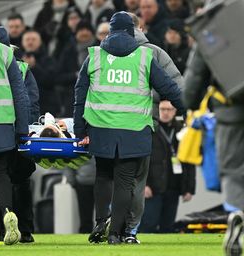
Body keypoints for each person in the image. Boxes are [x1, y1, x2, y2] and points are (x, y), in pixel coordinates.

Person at [74, 11, 184, 244]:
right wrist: (186, 108)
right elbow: (169, 87)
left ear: (111, 30)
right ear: (133, 30)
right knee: (126, 182)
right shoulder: (144, 57)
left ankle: (100, 222)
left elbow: (79, 96)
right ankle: (117, 233)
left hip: (101, 128)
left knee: (103, 177)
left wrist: (80, 131)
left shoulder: (94, 56)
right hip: (135, 130)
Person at [182, 2, 244, 254]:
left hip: (230, 111)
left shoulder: (213, 26)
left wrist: (191, 102)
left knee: (232, 171)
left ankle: (236, 212)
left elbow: (192, 85)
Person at [0, 26, 40, 243]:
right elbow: (27, 100)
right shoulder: (14, 62)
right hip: (7, 128)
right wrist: (25, 129)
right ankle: (17, 221)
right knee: (12, 179)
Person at [139, 100, 195, 233]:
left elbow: (189, 161)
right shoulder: (150, 129)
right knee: (148, 224)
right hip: (153, 186)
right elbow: (141, 158)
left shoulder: (182, 130)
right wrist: (144, 184)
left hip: (174, 185)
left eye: (169, 109)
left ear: (175, 111)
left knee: (168, 226)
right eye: (163, 109)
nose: (165, 112)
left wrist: (189, 188)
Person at [21, 30, 57, 115]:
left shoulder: (49, 59)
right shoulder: (16, 59)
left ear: (40, 42)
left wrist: (34, 67)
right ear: (22, 42)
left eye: (33, 39)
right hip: (24, 106)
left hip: (46, 106)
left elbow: (51, 81)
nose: (30, 42)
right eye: (27, 39)